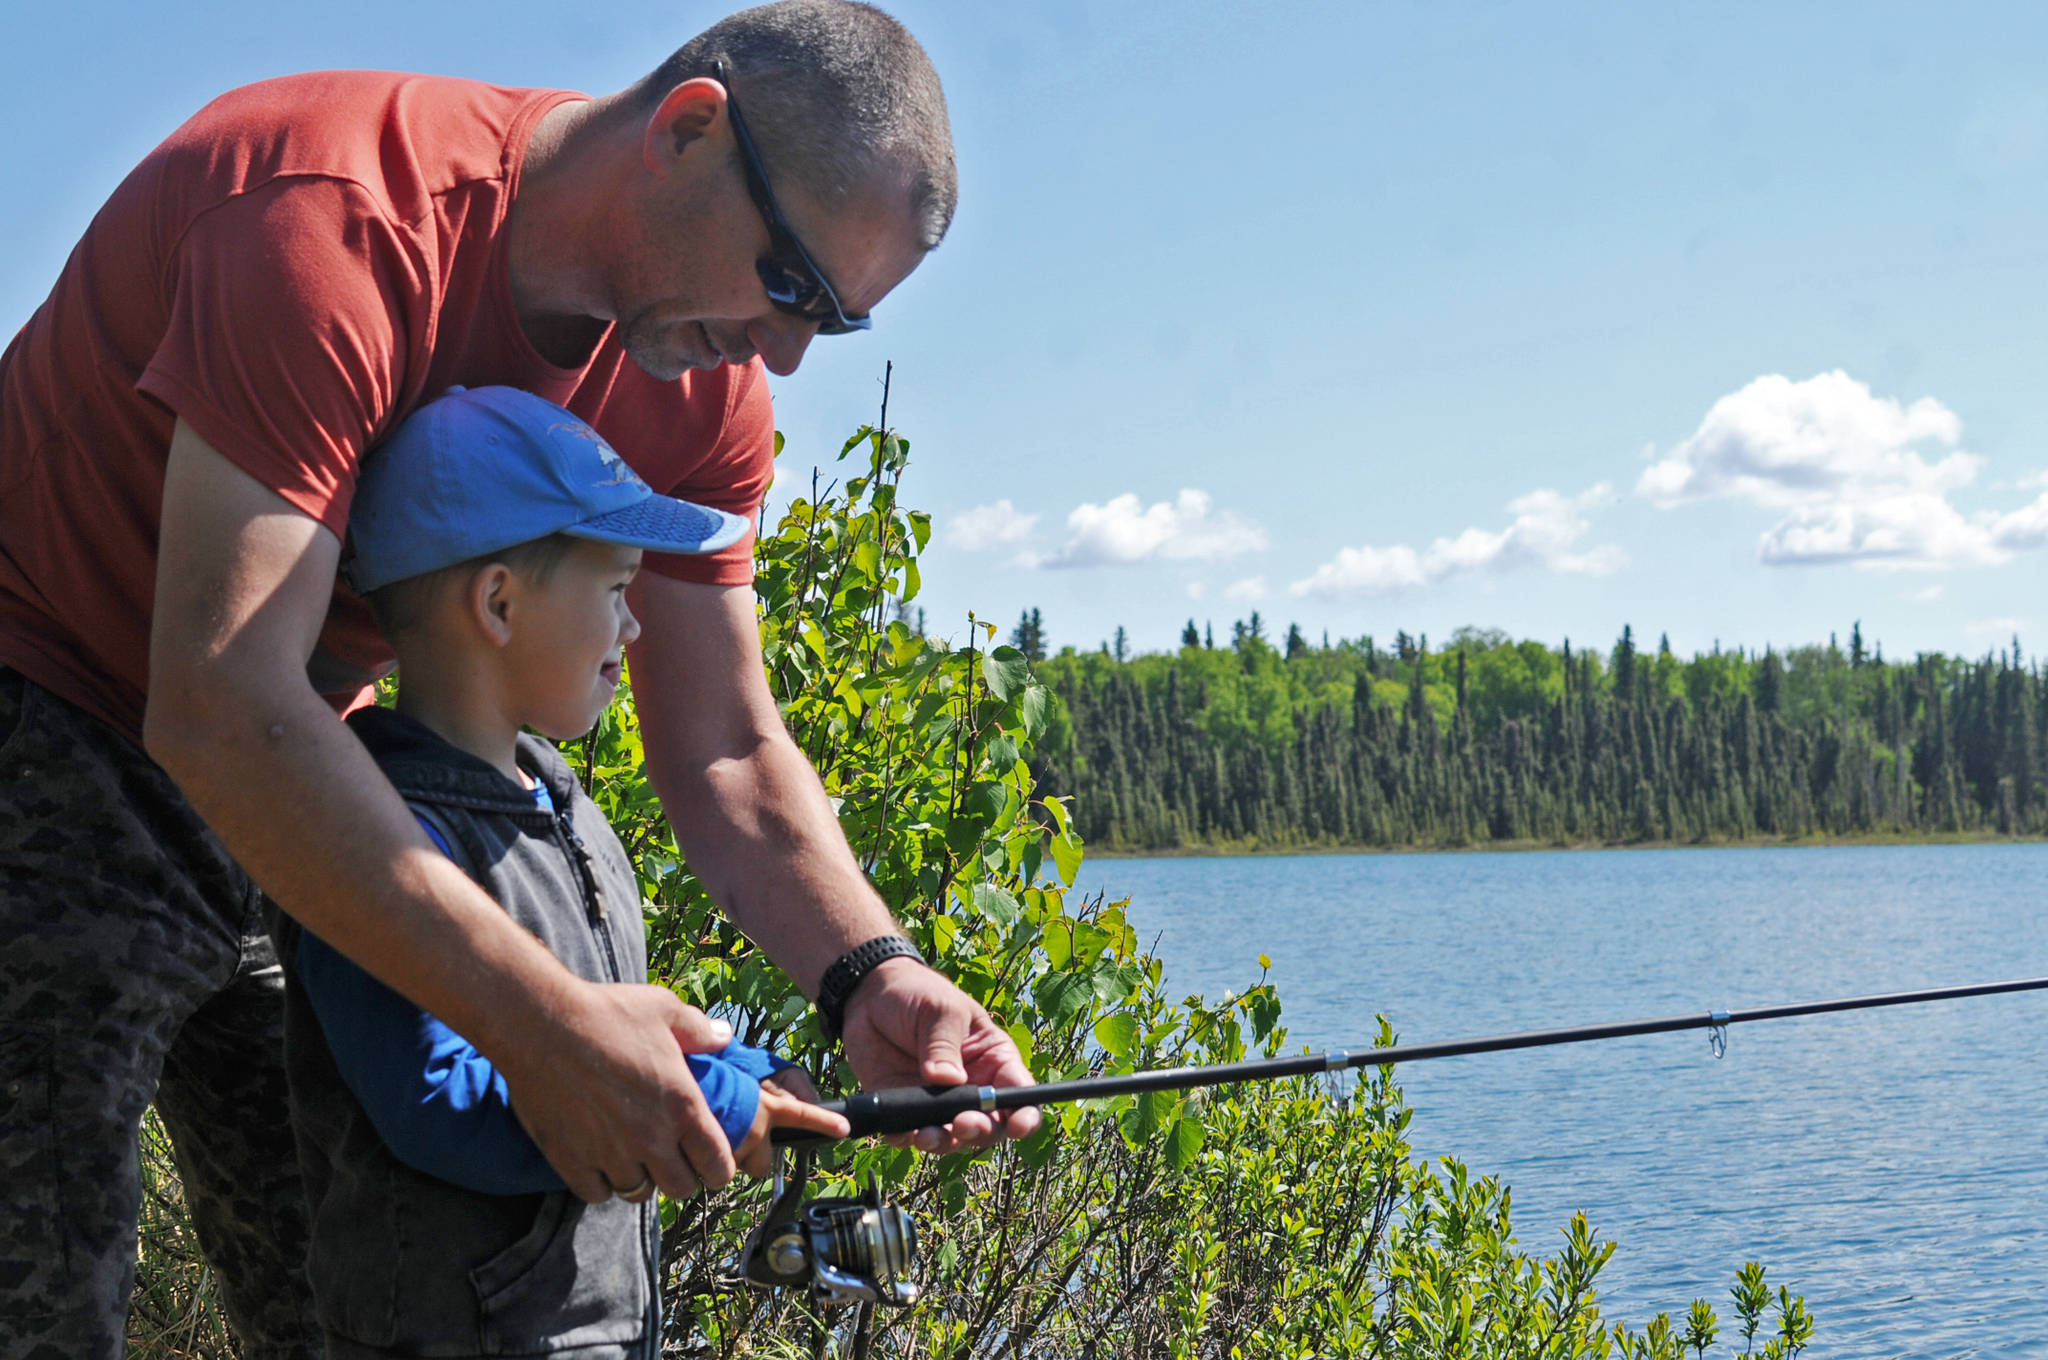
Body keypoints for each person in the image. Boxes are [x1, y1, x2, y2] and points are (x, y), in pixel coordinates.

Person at [0, 2, 1036, 1356]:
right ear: (686, 129)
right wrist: (545, 1026)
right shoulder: (333, 226)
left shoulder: (701, 390)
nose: (783, 356)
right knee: (41, 1284)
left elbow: (721, 744)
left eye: (831, 325)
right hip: (48, 704)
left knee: (359, 1284)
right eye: (791, 284)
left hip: (308, 749)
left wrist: (870, 973)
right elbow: (217, 699)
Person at [278, 385, 850, 1358]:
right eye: (617, 589)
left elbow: (605, 1023)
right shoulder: (373, 837)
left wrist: (754, 1078)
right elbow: (435, 1100)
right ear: (498, 601)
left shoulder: (559, 798)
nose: (634, 630)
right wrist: (695, 1107)